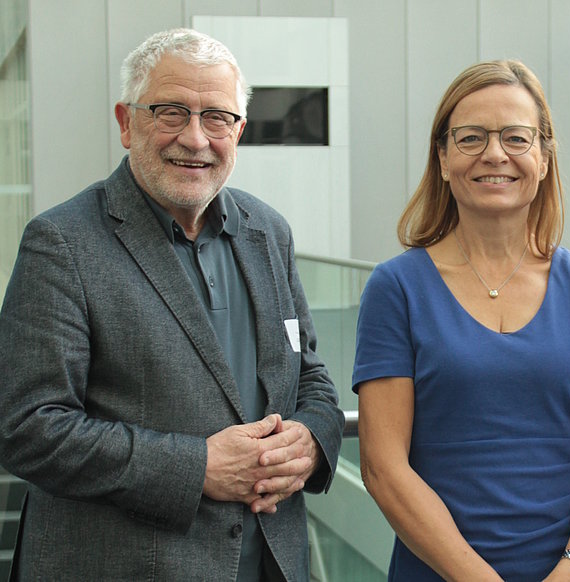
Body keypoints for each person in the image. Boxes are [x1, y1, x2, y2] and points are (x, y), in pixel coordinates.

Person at [0, 28, 344, 581]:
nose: (195, 138)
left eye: (216, 118)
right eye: (171, 111)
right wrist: (198, 467)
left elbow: (311, 380)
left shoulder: (268, 232)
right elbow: (26, 427)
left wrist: (310, 442)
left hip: (269, 565)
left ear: (240, 131)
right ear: (125, 122)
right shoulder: (62, 243)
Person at [352, 60, 570, 581]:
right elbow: (384, 468)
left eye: (516, 137)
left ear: (545, 158)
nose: (494, 154)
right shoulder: (396, 288)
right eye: (471, 138)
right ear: (442, 158)